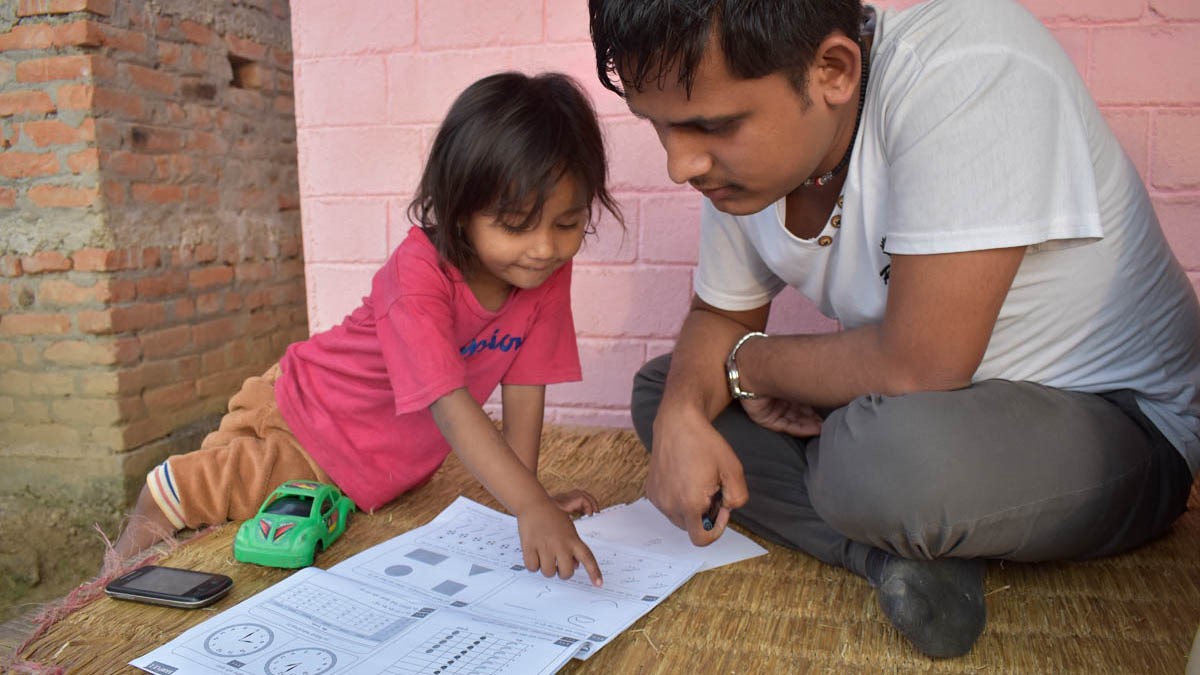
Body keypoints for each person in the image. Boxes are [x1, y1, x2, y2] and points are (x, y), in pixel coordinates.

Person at [590, 0, 1200, 658]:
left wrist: (751, 367)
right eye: (659, 128)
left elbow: (921, 364)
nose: (681, 165)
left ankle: (883, 506)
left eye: (712, 125)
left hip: (1114, 421)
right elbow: (718, 318)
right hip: (921, 411)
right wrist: (686, 409)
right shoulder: (742, 175)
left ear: (833, 70)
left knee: (875, 455)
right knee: (664, 393)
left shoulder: (968, 65)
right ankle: (893, 558)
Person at [112, 71, 623, 587]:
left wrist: (528, 500)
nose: (544, 248)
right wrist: (531, 505)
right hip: (310, 419)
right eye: (516, 224)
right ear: (460, 209)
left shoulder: (545, 276)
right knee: (221, 488)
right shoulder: (418, 273)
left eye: (567, 224)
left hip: (371, 458)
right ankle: (114, 573)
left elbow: (525, 386)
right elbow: (448, 402)